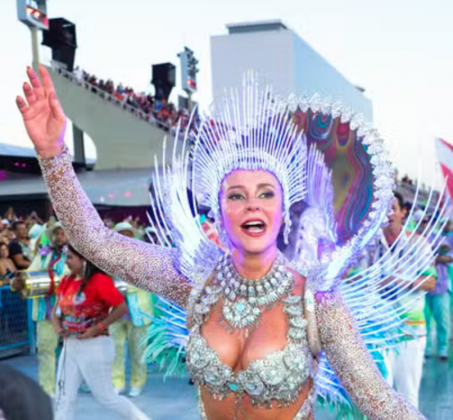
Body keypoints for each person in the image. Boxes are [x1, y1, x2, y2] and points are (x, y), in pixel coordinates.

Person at [16, 65, 428, 420]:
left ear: (284, 212)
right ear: (218, 212)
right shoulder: (195, 281)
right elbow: (95, 242)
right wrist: (53, 154)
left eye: (267, 193)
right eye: (237, 195)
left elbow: (382, 404)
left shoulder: (316, 301)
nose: (253, 205)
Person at [51, 244, 151, 420]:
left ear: (84, 260)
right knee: (64, 396)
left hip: (95, 346)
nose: (65, 262)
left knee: (106, 397)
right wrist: (58, 326)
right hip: (70, 346)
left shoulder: (99, 280)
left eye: (69, 258)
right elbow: (55, 310)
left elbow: (121, 307)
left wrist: (98, 328)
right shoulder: (67, 281)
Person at [364, 193, 436, 409]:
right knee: (380, 394)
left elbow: (430, 282)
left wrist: (400, 280)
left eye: (393, 208)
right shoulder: (369, 245)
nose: (388, 213)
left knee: (407, 394)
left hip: (410, 330)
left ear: (404, 212)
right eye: (383, 207)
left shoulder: (418, 244)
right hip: (379, 329)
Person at [110, 222, 154, 397]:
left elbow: (148, 280)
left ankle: (137, 382)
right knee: (115, 350)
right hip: (115, 311)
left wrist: (123, 288)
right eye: (121, 234)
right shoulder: (108, 257)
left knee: (138, 352)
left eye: (128, 234)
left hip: (139, 310)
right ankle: (117, 382)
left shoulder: (144, 256)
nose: (125, 237)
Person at [27, 222, 69, 397]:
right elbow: (29, 275)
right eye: (57, 234)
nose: (60, 237)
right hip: (45, 311)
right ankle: (47, 388)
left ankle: (71, 384)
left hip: (71, 311)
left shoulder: (76, 255)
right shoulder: (43, 255)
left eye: (63, 234)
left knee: (75, 350)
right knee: (45, 349)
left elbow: (77, 277)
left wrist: (55, 282)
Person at [424, 217, 451, 360]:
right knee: (425, 320)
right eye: (420, 221)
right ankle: (427, 348)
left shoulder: (441, 239)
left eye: (425, 220)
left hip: (440, 285)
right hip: (420, 288)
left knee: (442, 318)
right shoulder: (412, 239)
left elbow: (449, 257)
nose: (423, 223)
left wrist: (432, 257)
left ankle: (443, 347)